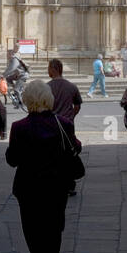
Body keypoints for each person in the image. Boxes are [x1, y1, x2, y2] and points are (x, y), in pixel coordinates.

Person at [5, 80, 81, 253]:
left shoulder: (19, 127)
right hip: (57, 185)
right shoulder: (63, 124)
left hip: (28, 187)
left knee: (32, 228)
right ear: (49, 99)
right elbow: (75, 147)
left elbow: (12, 160)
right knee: (54, 227)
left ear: (27, 101)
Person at [47, 58, 83, 195]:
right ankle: (70, 184)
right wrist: (71, 116)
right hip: (68, 126)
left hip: (52, 125)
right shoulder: (72, 86)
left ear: (53, 69)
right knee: (68, 154)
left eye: (49, 68)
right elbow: (77, 105)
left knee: (53, 155)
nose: (48, 70)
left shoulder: (47, 87)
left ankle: (55, 182)